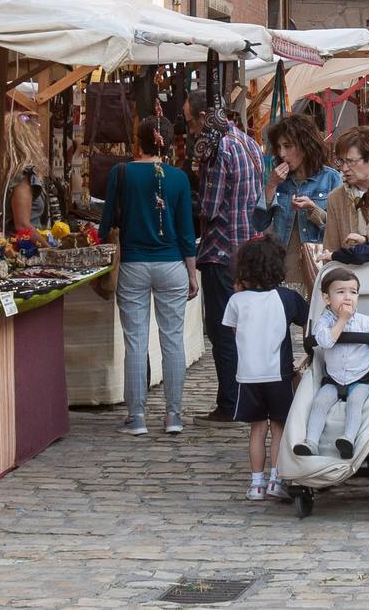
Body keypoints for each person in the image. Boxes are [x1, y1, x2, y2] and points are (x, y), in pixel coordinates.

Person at [99, 117, 198, 437]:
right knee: (173, 340)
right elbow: (187, 231)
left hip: (133, 264)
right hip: (172, 265)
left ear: (137, 142)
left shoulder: (121, 173)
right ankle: (173, 415)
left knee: (136, 341)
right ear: (167, 144)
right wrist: (192, 273)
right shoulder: (179, 178)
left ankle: (137, 416)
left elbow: (105, 224)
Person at [186, 90, 265, 426]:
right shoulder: (247, 142)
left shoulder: (219, 149)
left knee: (223, 331)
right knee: (245, 331)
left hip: (222, 251)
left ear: (204, 117)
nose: (189, 128)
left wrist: (184, 194)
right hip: (248, 248)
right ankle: (249, 399)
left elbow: (209, 207)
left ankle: (230, 404)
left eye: (190, 120)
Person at [222, 236, 308, 500]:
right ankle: (276, 479)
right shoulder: (287, 297)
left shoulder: (236, 301)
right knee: (279, 427)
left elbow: (236, 332)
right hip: (279, 373)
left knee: (256, 429)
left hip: (248, 375)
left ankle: (256, 484)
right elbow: (309, 321)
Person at [294, 267, 369, 460]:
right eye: (341, 292)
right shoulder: (324, 322)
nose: (348, 297)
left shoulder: (365, 322)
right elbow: (325, 341)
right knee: (319, 403)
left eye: (353, 292)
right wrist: (342, 320)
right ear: (327, 299)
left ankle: (349, 439)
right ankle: (311, 442)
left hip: (362, 378)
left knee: (356, 403)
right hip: (333, 379)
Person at [254, 114, 341, 297]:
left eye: (288, 146)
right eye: (278, 147)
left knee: (316, 323)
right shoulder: (279, 181)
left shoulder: (331, 178)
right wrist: (271, 185)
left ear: (305, 145)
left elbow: (338, 230)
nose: (282, 153)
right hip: (283, 270)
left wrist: (313, 209)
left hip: (318, 267)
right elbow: (258, 223)